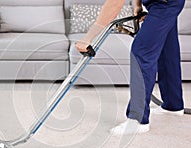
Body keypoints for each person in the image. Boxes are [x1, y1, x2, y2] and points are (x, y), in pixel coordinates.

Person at [75, 0, 185, 135]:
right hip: (164, 3)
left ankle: (137, 120)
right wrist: (138, 5)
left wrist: (88, 37)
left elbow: (113, 5)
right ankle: (173, 105)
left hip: (165, 4)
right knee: (167, 50)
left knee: (141, 52)